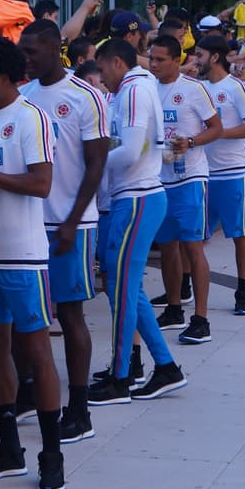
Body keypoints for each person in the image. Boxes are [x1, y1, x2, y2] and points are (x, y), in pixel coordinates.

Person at [0, 37, 66, 489]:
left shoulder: (30, 118)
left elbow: (42, 184)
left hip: (23, 255)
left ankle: (51, 454)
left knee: (37, 351)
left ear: (4, 78)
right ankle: (8, 449)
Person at [17, 20, 110, 444]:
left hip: (71, 222)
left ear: (56, 48)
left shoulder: (86, 96)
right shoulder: (25, 95)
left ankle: (79, 407)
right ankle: (30, 391)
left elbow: (96, 162)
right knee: (26, 316)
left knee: (70, 313)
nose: (26, 59)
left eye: (32, 51)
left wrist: (72, 220)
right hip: (30, 223)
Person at [89, 39, 187, 405]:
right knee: (127, 289)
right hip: (134, 198)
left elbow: (129, 152)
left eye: (102, 68)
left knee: (122, 290)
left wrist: (90, 162)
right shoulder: (133, 90)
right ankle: (165, 367)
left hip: (137, 199)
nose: (101, 77)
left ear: (117, 62)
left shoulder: (133, 90)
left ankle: (121, 377)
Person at [147, 35, 222, 344]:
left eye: (160, 59)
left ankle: (201, 319)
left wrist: (190, 141)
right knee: (167, 246)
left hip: (190, 177)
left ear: (176, 61)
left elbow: (216, 128)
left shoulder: (193, 89)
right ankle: (174, 308)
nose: (153, 64)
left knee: (193, 247)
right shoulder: (147, 89)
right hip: (160, 178)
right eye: (151, 58)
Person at [193, 35, 245, 315]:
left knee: (239, 233)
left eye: (199, 55)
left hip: (232, 173)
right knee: (194, 237)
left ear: (214, 57)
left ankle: (243, 291)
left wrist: (218, 133)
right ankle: (184, 287)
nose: (195, 60)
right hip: (201, 174)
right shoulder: (196, 88)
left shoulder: (236, 88)